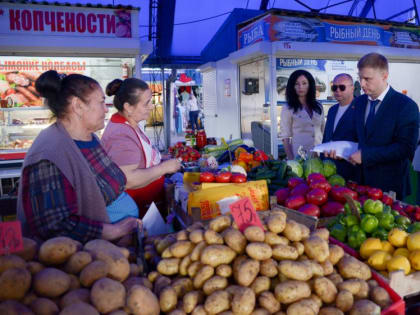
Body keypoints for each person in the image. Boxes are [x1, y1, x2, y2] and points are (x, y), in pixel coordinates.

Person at [17, 71, 142, 243]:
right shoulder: (48, 155)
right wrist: (115, 230)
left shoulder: (91, 138)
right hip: (86, 258)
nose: (106, 109)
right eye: (100, 102)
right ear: (77, 106)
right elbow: (54, 226)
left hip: (117, 247)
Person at [102, 78, 181, 217]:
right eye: (146, 103)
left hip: (148, 204)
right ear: (128, 107)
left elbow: (138, 156)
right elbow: (128, 179)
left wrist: (160, 158)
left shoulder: (131, 124)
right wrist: (164, 168)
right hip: (134, 211)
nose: (151, 106)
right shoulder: (121, 134)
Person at [350, 52, 419, 199]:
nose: (362, 84)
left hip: (389, 187)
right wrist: (339, 149)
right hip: (360, 184)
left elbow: (405, 148)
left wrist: (366, 156)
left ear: (384, 76)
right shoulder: (359, 102)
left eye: (367, 79)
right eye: (360, 78)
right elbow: (357, 137)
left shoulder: (405, 106)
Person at [322, 73, 360, 182]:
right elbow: (327, 137)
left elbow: (363, 142)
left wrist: (344, 154)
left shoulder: (360, 109)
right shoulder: (332, 110)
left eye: (342, 87)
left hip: (351, 172)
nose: (337, 90)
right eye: (334, 87)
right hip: (329, 171)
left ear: (352, 88)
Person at [279, 69, 325, 160]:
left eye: (304, 83)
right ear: (292, 86)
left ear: (310, 85)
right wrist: (292, 160)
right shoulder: (288, 108)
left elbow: (323, 130)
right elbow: (285, 137)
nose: (300, 87)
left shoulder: (319, 106)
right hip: (299, 157)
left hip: (319, 155)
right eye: (297, 84)